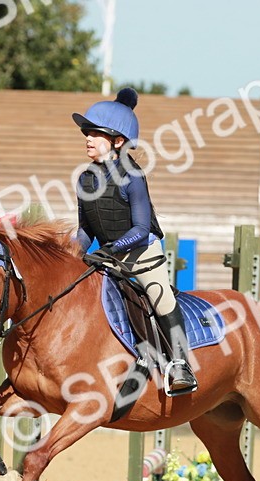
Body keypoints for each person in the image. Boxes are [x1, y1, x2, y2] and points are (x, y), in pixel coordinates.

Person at [72, 87, 197, 396]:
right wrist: (72, 254)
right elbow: (85, 229)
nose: (87, 137)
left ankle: (181, 365)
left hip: (140, 255)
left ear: (118, 141)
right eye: (87, 132)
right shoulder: (85, 178)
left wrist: (109, 250)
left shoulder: (133, 177)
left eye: (95, 133)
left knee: (160, 296)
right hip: (104, 256)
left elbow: (141, 229)